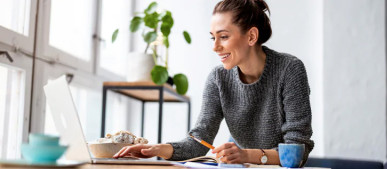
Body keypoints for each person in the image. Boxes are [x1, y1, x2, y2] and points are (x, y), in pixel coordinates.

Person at [113, 0, 314, 166]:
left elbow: (297, 151)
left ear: (251, 36)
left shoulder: (290, 69)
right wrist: (158, 149)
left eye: (224, 37)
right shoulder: (218, 78)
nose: (215, 47)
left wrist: (245, 155)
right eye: (213, 38)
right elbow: (199, 141)